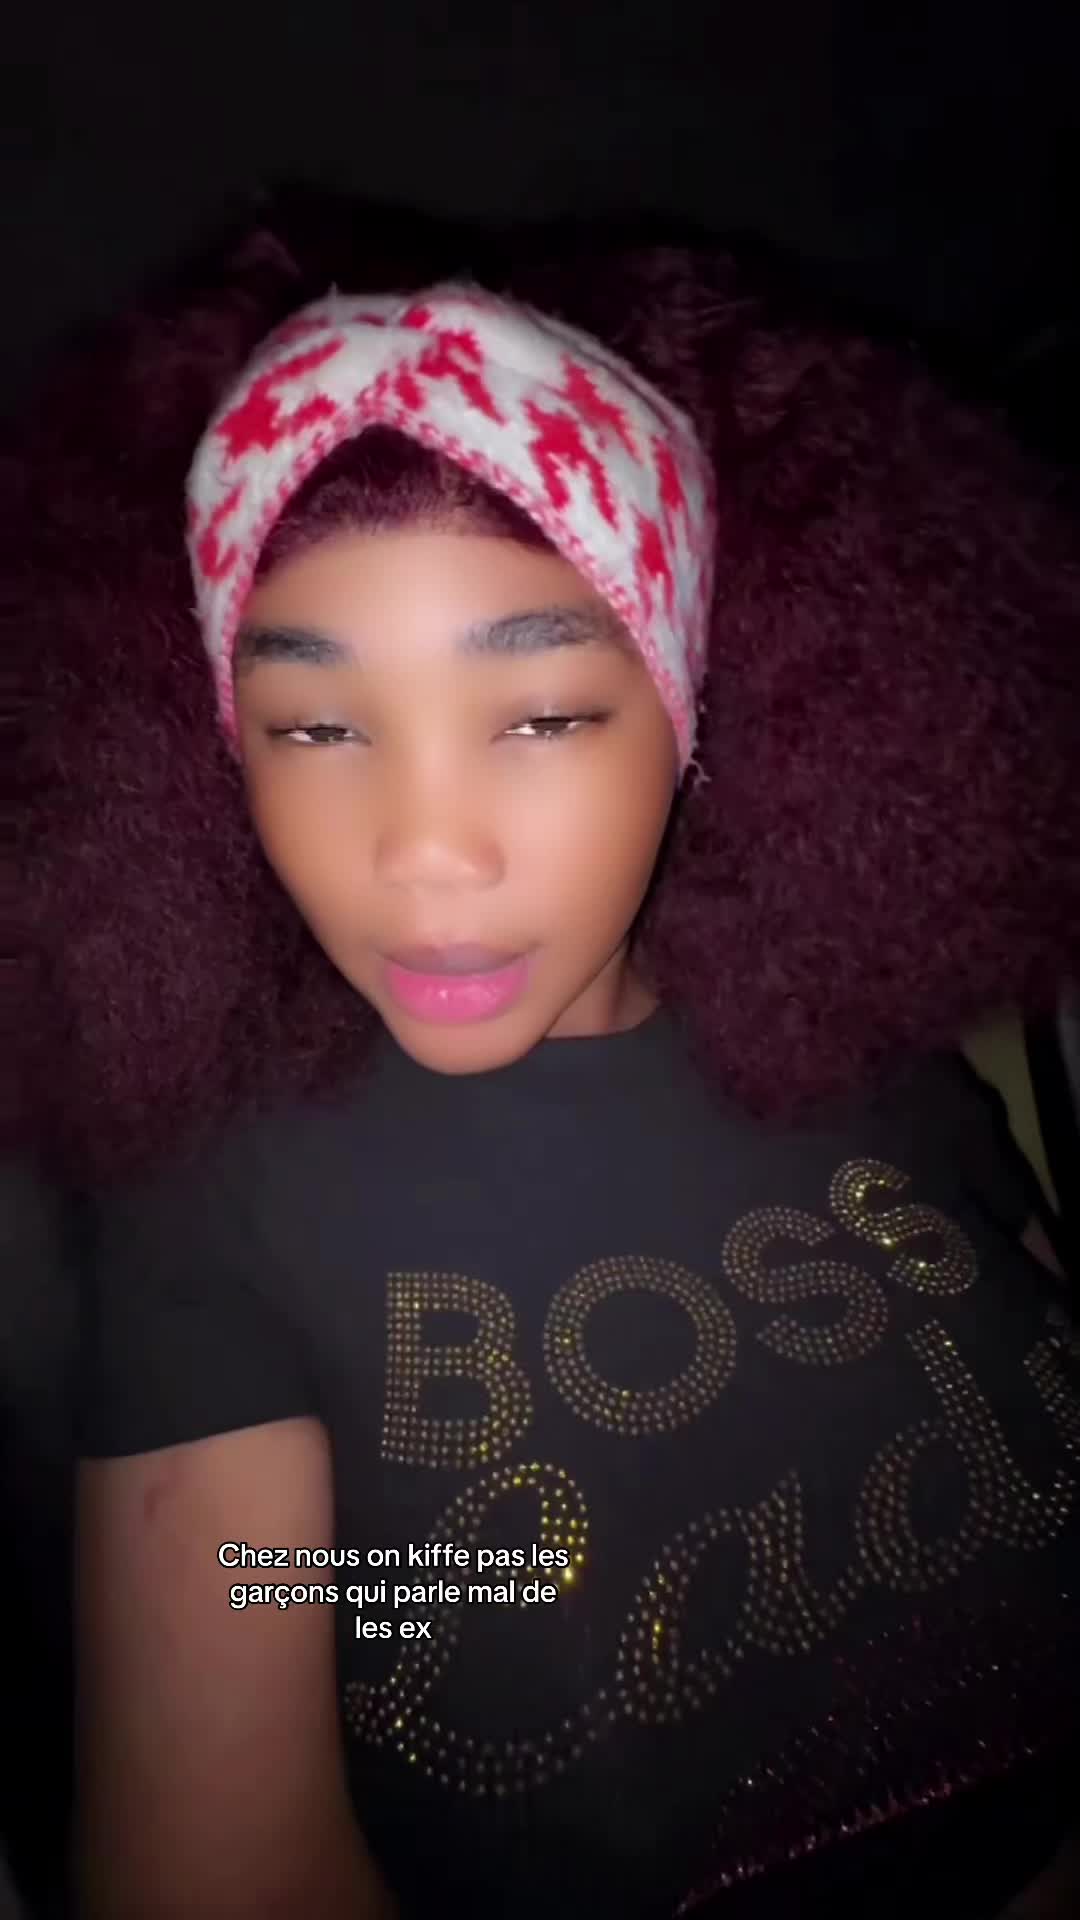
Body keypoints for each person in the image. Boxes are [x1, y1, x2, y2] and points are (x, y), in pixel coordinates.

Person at [12, 217, 1080, 1919]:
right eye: (317, 727)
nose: (424, 852)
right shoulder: (214, 1208)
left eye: (544, 714)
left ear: (693, 710)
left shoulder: (882, 1068)